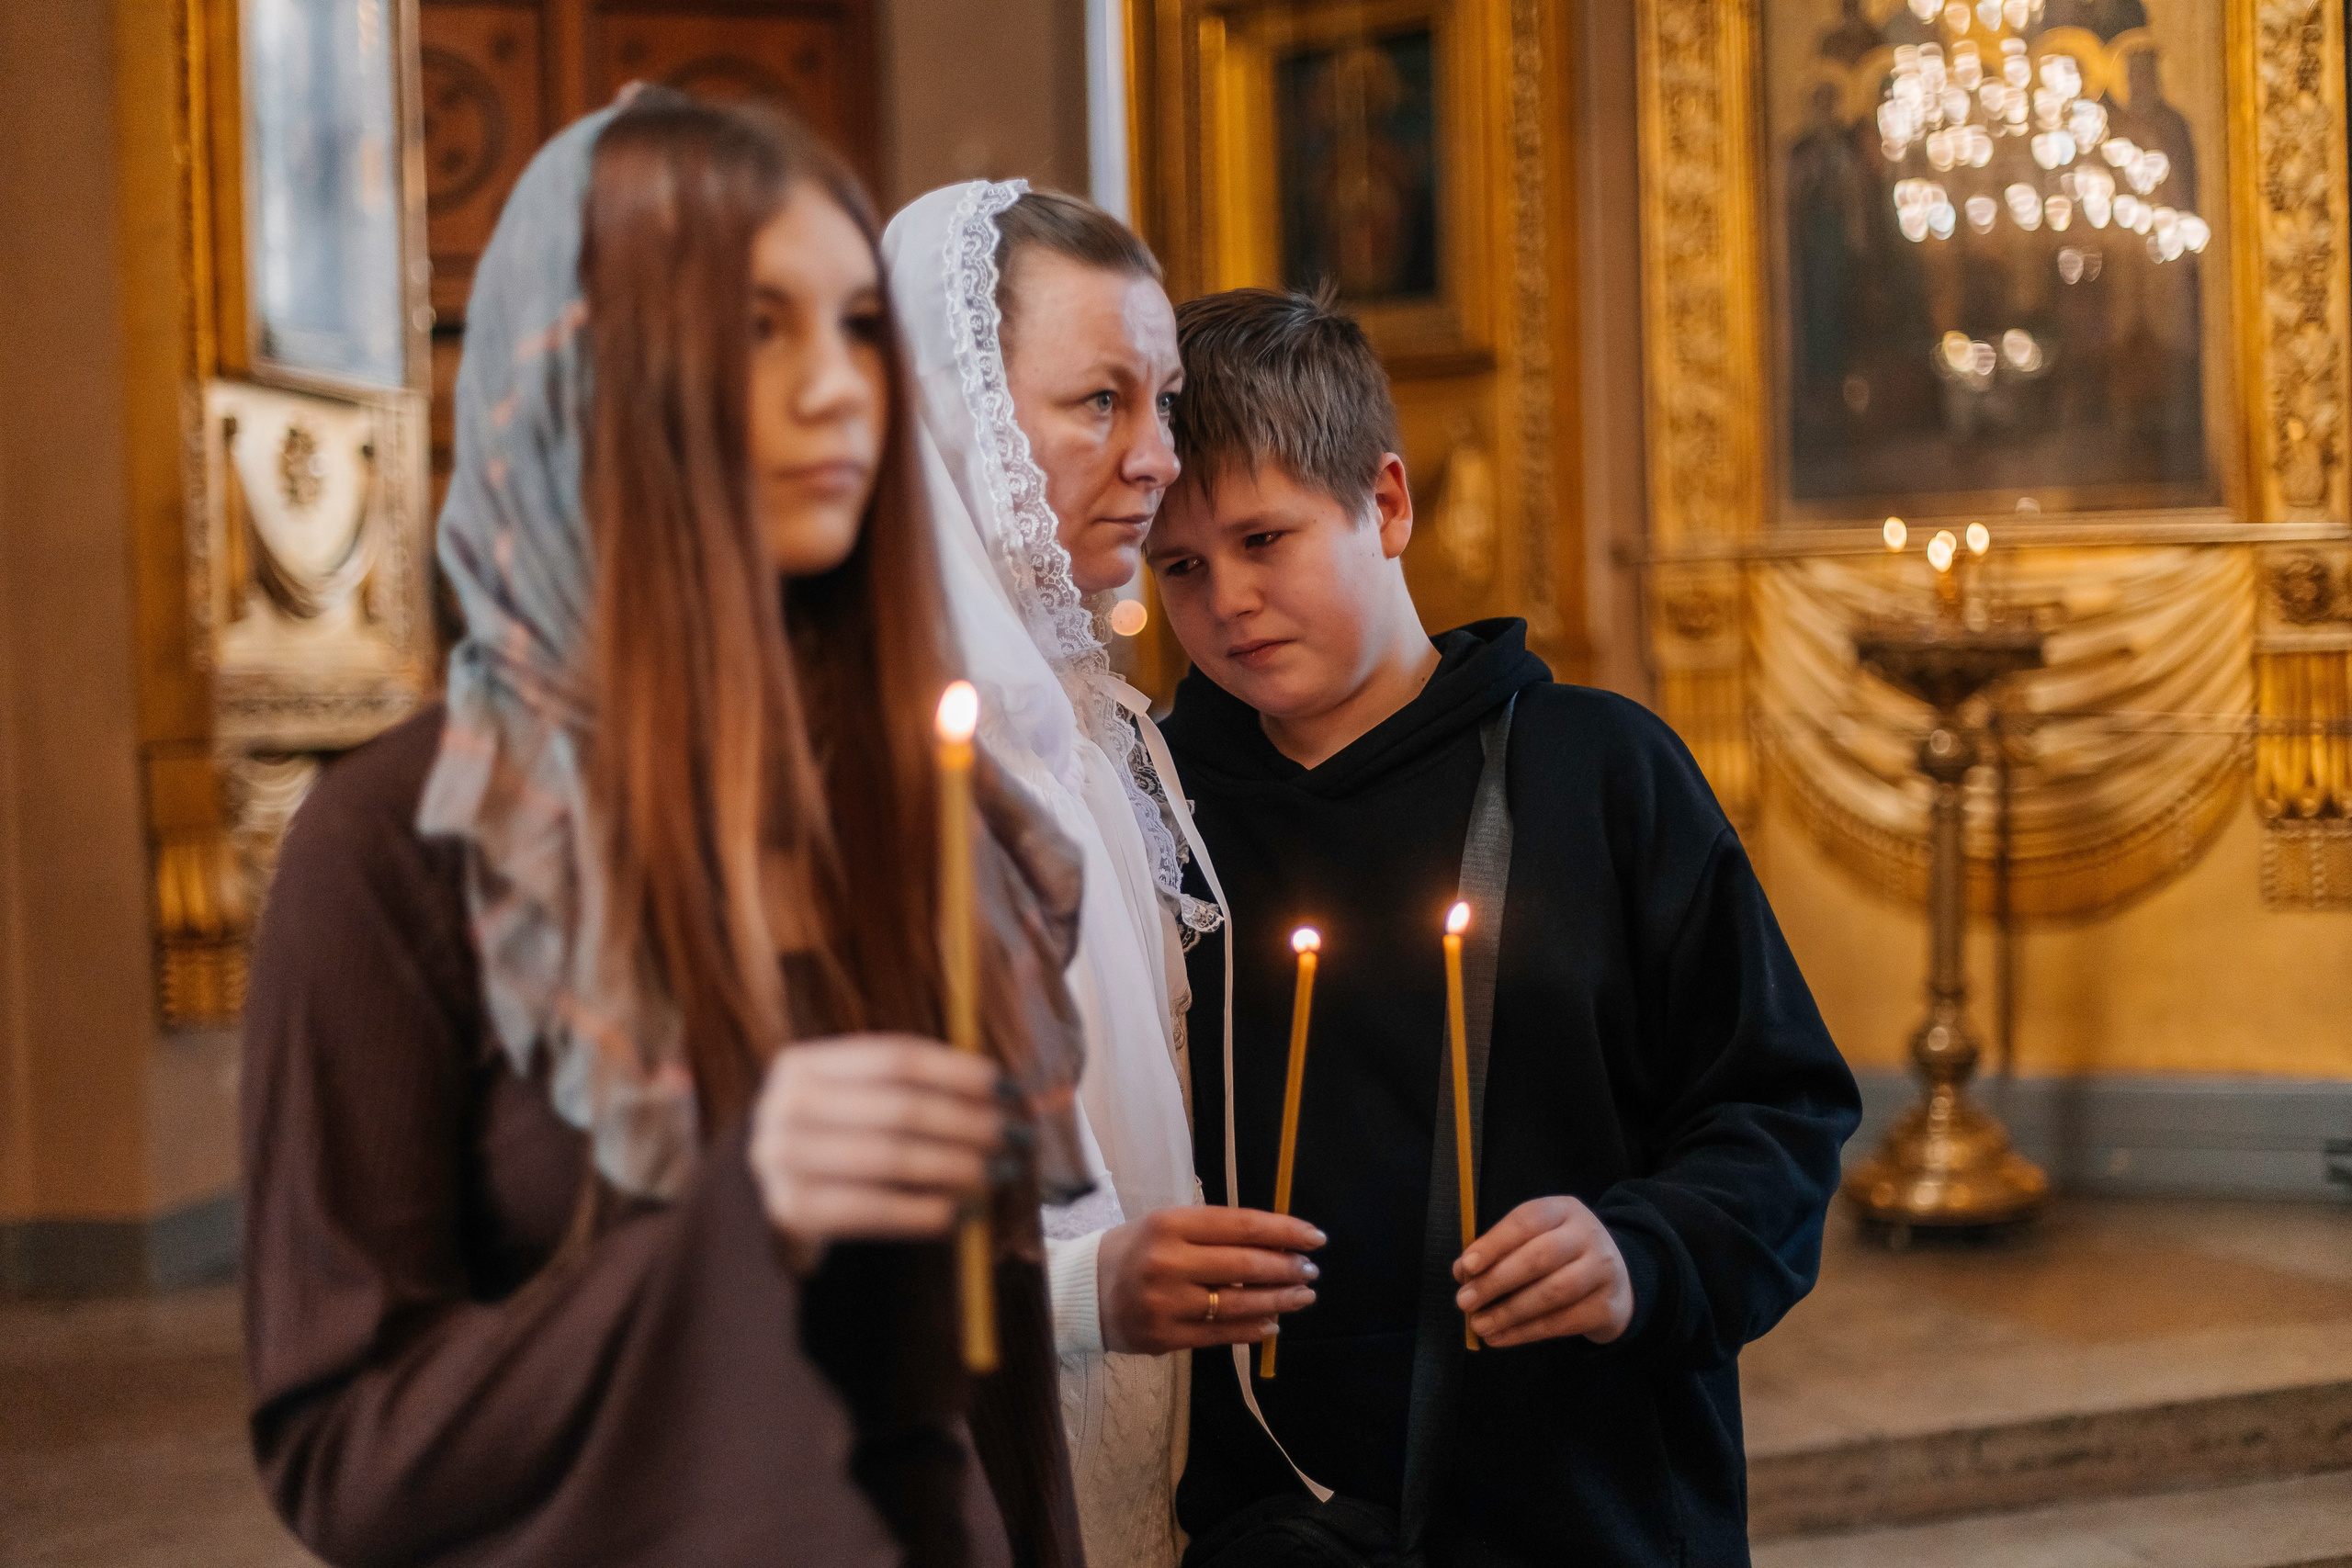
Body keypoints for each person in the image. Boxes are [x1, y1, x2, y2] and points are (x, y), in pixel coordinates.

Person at [241, 93, 1093, 1567]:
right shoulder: (398, 847)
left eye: (855, 329)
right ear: (585, 375)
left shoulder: (908, 805)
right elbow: (350, 1455)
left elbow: (984, 1382)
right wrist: (735, 1219)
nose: (837, 391)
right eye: (759, 329)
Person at [1146, 287, 1861, 1565]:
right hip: (1274, 1518)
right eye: (1183, 566)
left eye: (1266, 539)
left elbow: (1779, 1112)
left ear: (1390, 502)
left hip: (1587, 1493)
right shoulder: (1157, 809)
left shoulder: (1601, 774)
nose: (1228, 603)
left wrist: (1642, 1251)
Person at [882, 186, 1322, 1567]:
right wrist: (1081, 1291)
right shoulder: (865, 751)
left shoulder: (1096, 727)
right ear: (953, 411)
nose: (1154, 459)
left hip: (1138, 1434)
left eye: (1166, 402)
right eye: (1098, 404)